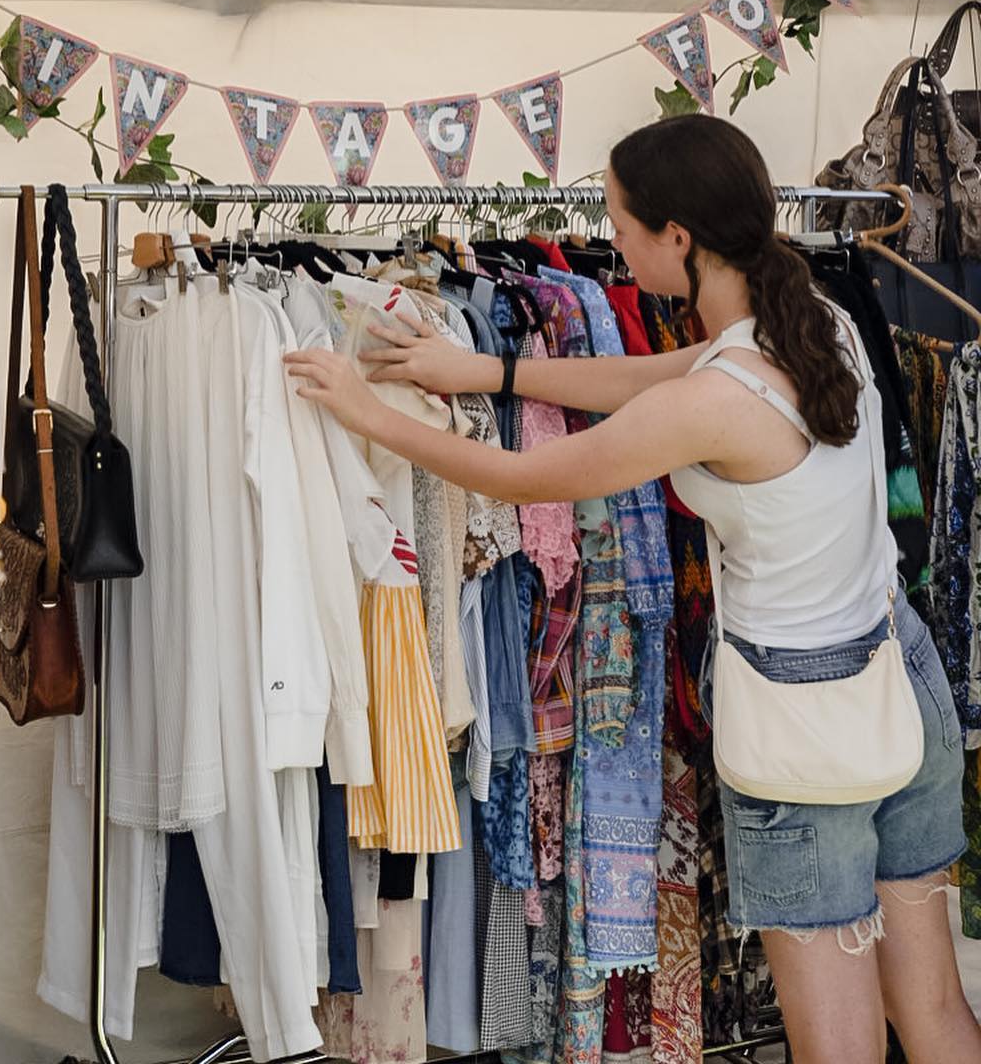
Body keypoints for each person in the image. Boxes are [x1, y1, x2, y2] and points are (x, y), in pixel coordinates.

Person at [284, 116, 977, 1064]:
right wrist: (486, 368)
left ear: (678, 238)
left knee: (836, 1047)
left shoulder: (719, 396)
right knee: (934, 1011)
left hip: (802, 724)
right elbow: (650, 373)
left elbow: (535, 478)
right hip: (901, 678)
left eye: (620, 220)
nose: (611, 239)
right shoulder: (813, 315)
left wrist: (371, 415)